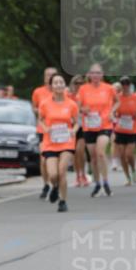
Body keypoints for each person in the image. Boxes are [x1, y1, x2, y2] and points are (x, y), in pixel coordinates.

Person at [36, 73, 79, 212]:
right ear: (51, 86)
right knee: (53, 175)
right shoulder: (45, 103)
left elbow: (77, 122)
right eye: (56, 82)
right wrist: (45, 128)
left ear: (64, 85)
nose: (59, 85)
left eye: (61, 82)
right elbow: (40, 119)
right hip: (50, 142)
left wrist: (74, 130)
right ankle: (54, 187)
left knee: (62, 172)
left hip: (67, 142)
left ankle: (63, 201)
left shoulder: (71, 104)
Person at [76, 63, 117, 197]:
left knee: (100, 153)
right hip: (89, 126)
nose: (95, 75)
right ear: (89, 75)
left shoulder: (109, 88)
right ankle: (97, 183)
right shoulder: (83, 89)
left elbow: (117, 101)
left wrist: (112, 112)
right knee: (93, 158)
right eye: (93, 73)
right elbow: (77, 106)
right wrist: (83, 110)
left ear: (102, 74)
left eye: (98, 73)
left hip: (105, 124)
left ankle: (105, 182)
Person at [31, 67, 58, 200]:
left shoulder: (61, 92)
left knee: (55, 160)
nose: (50, 77)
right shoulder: (38, 92)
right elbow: (34, 108)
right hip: (43, 130)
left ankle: (55, 184)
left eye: (53, 75)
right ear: (44, 77)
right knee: (43, 159)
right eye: (48, 75)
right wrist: (41, 111)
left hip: (58, 131)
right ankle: (46, 184)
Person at [111, 77, 136, 185]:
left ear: (130, 85)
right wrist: (115, 115)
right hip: (120, 129)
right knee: (122, 156)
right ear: (121, 85)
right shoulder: (117, 98)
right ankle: (128, 178)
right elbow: (113, 111)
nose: (125, 86)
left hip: (133, 130)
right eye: (123, 83)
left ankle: (133, 169)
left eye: (127, 83)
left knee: (129, 154)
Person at [68, 74, 89, 187]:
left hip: (83, 126)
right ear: (73, 84)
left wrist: (81, 109)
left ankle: (84, 174)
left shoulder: (86, 96)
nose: (79, 85)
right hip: (71, 126)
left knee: (80, 150)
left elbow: (89, 109)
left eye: (81, 83)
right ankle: (78, 176)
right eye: (77, 83)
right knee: (75, 153)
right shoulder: (68, 96)